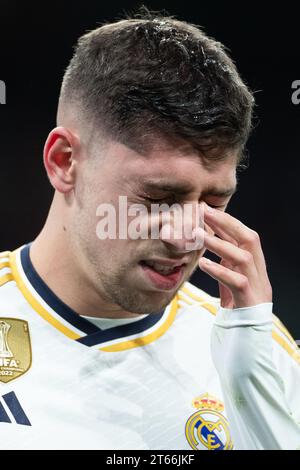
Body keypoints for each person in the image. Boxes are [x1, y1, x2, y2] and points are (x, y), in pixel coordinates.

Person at [0, 9, 299, 450]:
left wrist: (256, 403)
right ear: (64, 162)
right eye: (159, 198)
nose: (188, 236)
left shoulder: (260, 349)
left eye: (214, 201)